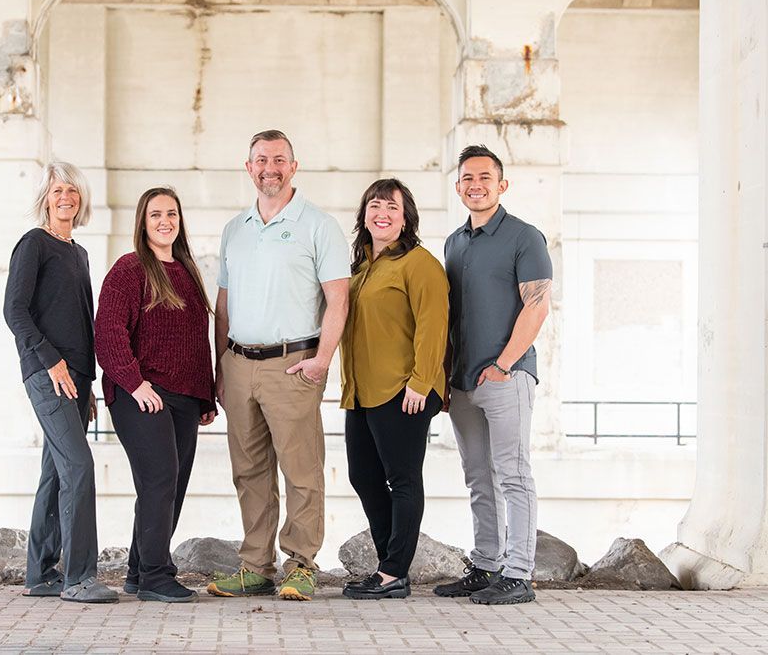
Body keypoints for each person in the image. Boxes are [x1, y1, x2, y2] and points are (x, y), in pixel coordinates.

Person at [207, 129, 350, 601]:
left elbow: (338, 300)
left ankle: (301, 564)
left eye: (279, 159)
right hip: (239, 364)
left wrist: (322, 361)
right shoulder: (235, 229)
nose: (270, 168)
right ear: (248, 167)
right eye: (261, 160)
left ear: (294, 166)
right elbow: (223, 306)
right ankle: (255, 567)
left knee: (301, 470)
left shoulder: (319, 225)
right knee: (249, 472)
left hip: (293, 365)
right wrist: (219, 368)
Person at [434, 145, 552, 606]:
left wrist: (503, 365)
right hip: (462, 383)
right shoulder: (453, 243)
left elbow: (537, 304)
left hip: (507, 377)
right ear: (458, 185)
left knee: (514, 475)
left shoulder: (525, 237)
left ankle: (519, 574)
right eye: (467, 177)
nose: (475, 184)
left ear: (502, 185)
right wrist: (446, 378)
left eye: (485, 177)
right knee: (477, 476)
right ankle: (486, 565)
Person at [95, 187, 217, 604]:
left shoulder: (186, 269)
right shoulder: (129, 270)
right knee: (160, 477)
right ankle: (155, 576)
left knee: (171, 484)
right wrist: (134, 383)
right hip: (140, 393)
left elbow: (196, 340)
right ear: (142, 223)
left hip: (184, 396)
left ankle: (136, 569)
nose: (165, 221)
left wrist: (205, 398)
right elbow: (108, 334)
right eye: (155, 215)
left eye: (171, 213)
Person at [3, 161, 117, 604]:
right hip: (48, 373)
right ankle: (79, 578)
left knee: (54, 473)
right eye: (56, 191)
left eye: (72, 190)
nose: (65, 197)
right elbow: (15, 312)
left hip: (76, 380)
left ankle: (41, 574)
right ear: (45, 200)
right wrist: (51, 363)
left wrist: (87, 385)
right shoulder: (33, 245)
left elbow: (82, 324)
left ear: (81, 198)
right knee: (79, 467)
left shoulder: (79, 253)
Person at [339, 178, 449, 600]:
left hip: (404, 389)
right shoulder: (363, 266)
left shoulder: (419, 264)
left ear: (406, 219)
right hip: (362, 391)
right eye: (374, 206)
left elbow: (433, 326)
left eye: (391, 207)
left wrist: (422, 382)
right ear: (364, 215)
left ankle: (393, 573)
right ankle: (388, 562)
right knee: (363, 477)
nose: (381, 214)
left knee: (402, 479)